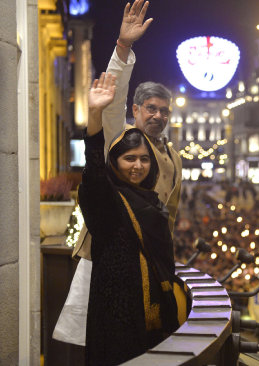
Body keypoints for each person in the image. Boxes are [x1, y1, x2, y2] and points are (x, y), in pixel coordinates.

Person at [80, 72, 187, 365]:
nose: (138, 165)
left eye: (144, 159)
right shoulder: (108, 197)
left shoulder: (151, 197)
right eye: (129, 158)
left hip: (151, 298)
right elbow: (94, 168)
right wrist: (94, 112)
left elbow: (167, 227)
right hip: (116, 302)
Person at [73, 0, 182, 259]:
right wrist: (123, 47)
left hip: (147, 257)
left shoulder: (174, 158)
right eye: (151, 108)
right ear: (135, 110)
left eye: (164, 111)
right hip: (104, 253)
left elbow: (170, 216)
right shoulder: (121, 139)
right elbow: (113, 100)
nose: (158, 115)